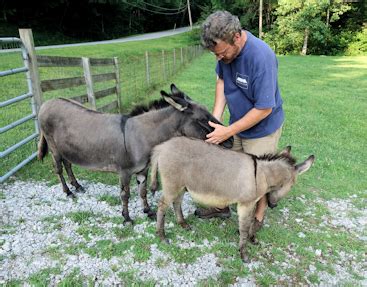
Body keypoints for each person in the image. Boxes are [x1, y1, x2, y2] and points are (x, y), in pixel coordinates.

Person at [195, 10, 284, 232]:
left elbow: (264, 108)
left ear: (236, 36)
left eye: (222, 53)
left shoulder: (260, 56)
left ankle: (258, 218)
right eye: (215, 54)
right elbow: (222, 82)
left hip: (263, 127)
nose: (219, 58)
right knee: (227, 167)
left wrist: (227, 131)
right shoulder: (225, 54)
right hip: (236, 123)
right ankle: (222, 207)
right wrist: (216, 120)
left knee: (257, 175)